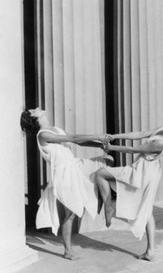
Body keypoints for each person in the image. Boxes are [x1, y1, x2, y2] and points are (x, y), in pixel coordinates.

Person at [95, 119, 163, 262]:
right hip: (148, 169)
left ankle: (108, 206)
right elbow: (140, 134)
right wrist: (115, 136)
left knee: (100, 174)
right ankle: (150, 252)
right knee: (147, 211)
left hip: (143, 173)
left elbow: (133, 150)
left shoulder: (162, 143)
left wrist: (111, 147)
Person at [20, 107, 110, 261]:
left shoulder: (55, 129)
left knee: (107, 162)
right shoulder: (42, 135)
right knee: (70, 213)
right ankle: (68, 250)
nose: (37, 108)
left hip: (74, 166)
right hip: (64, 175)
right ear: (34, 118)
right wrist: (99, 136)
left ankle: (107, 206)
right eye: (33, 110)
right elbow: (74, 138)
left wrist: (99, 144)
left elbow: (78, 142)